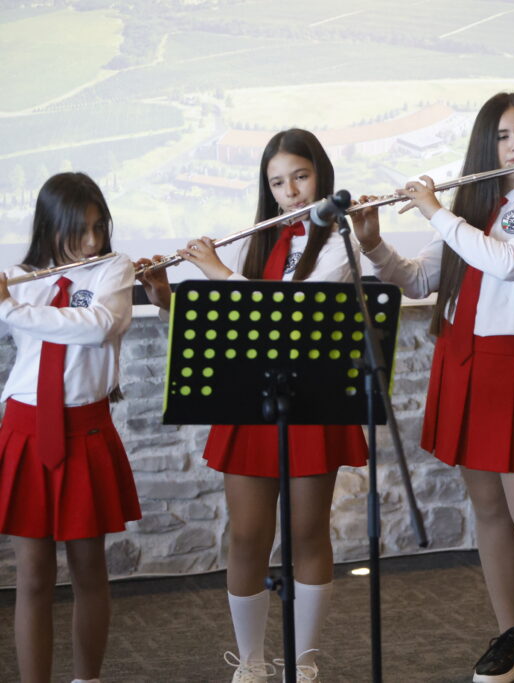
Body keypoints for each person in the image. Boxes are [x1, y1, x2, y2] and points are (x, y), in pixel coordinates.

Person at [350, 92, 514, 683]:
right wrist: (372, 244)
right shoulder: (471, 209)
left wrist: (437, 213)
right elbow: (418, 280)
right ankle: (513, 638)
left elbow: (509, 262)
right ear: (484, 147)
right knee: (490, 512)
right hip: (465, 362)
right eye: (502, 137)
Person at [140, 128, 368, 682]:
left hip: (312, 399)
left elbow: (295, 311)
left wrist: (218, 272)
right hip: (251, 399)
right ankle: (252, 663)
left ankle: (304, 664)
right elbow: (225, 329)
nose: (290, 191)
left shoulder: (342, 242)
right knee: (246, 536)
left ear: (321, 175)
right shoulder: (256, 243)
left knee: (307, 534)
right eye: (278, 182)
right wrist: (167, 298)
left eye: (301, 176)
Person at [0, 172, 140, 683]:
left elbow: (99, 326)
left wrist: (11, 309)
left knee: (89, 571)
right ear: (49, 225)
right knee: (33, 578)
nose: (91, 241)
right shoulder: (19, 276)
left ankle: (87, 680)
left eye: (99, 227)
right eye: (79, 230)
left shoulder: (114, 269)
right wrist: (10, 302)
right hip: (25, 428)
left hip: (86, 430)